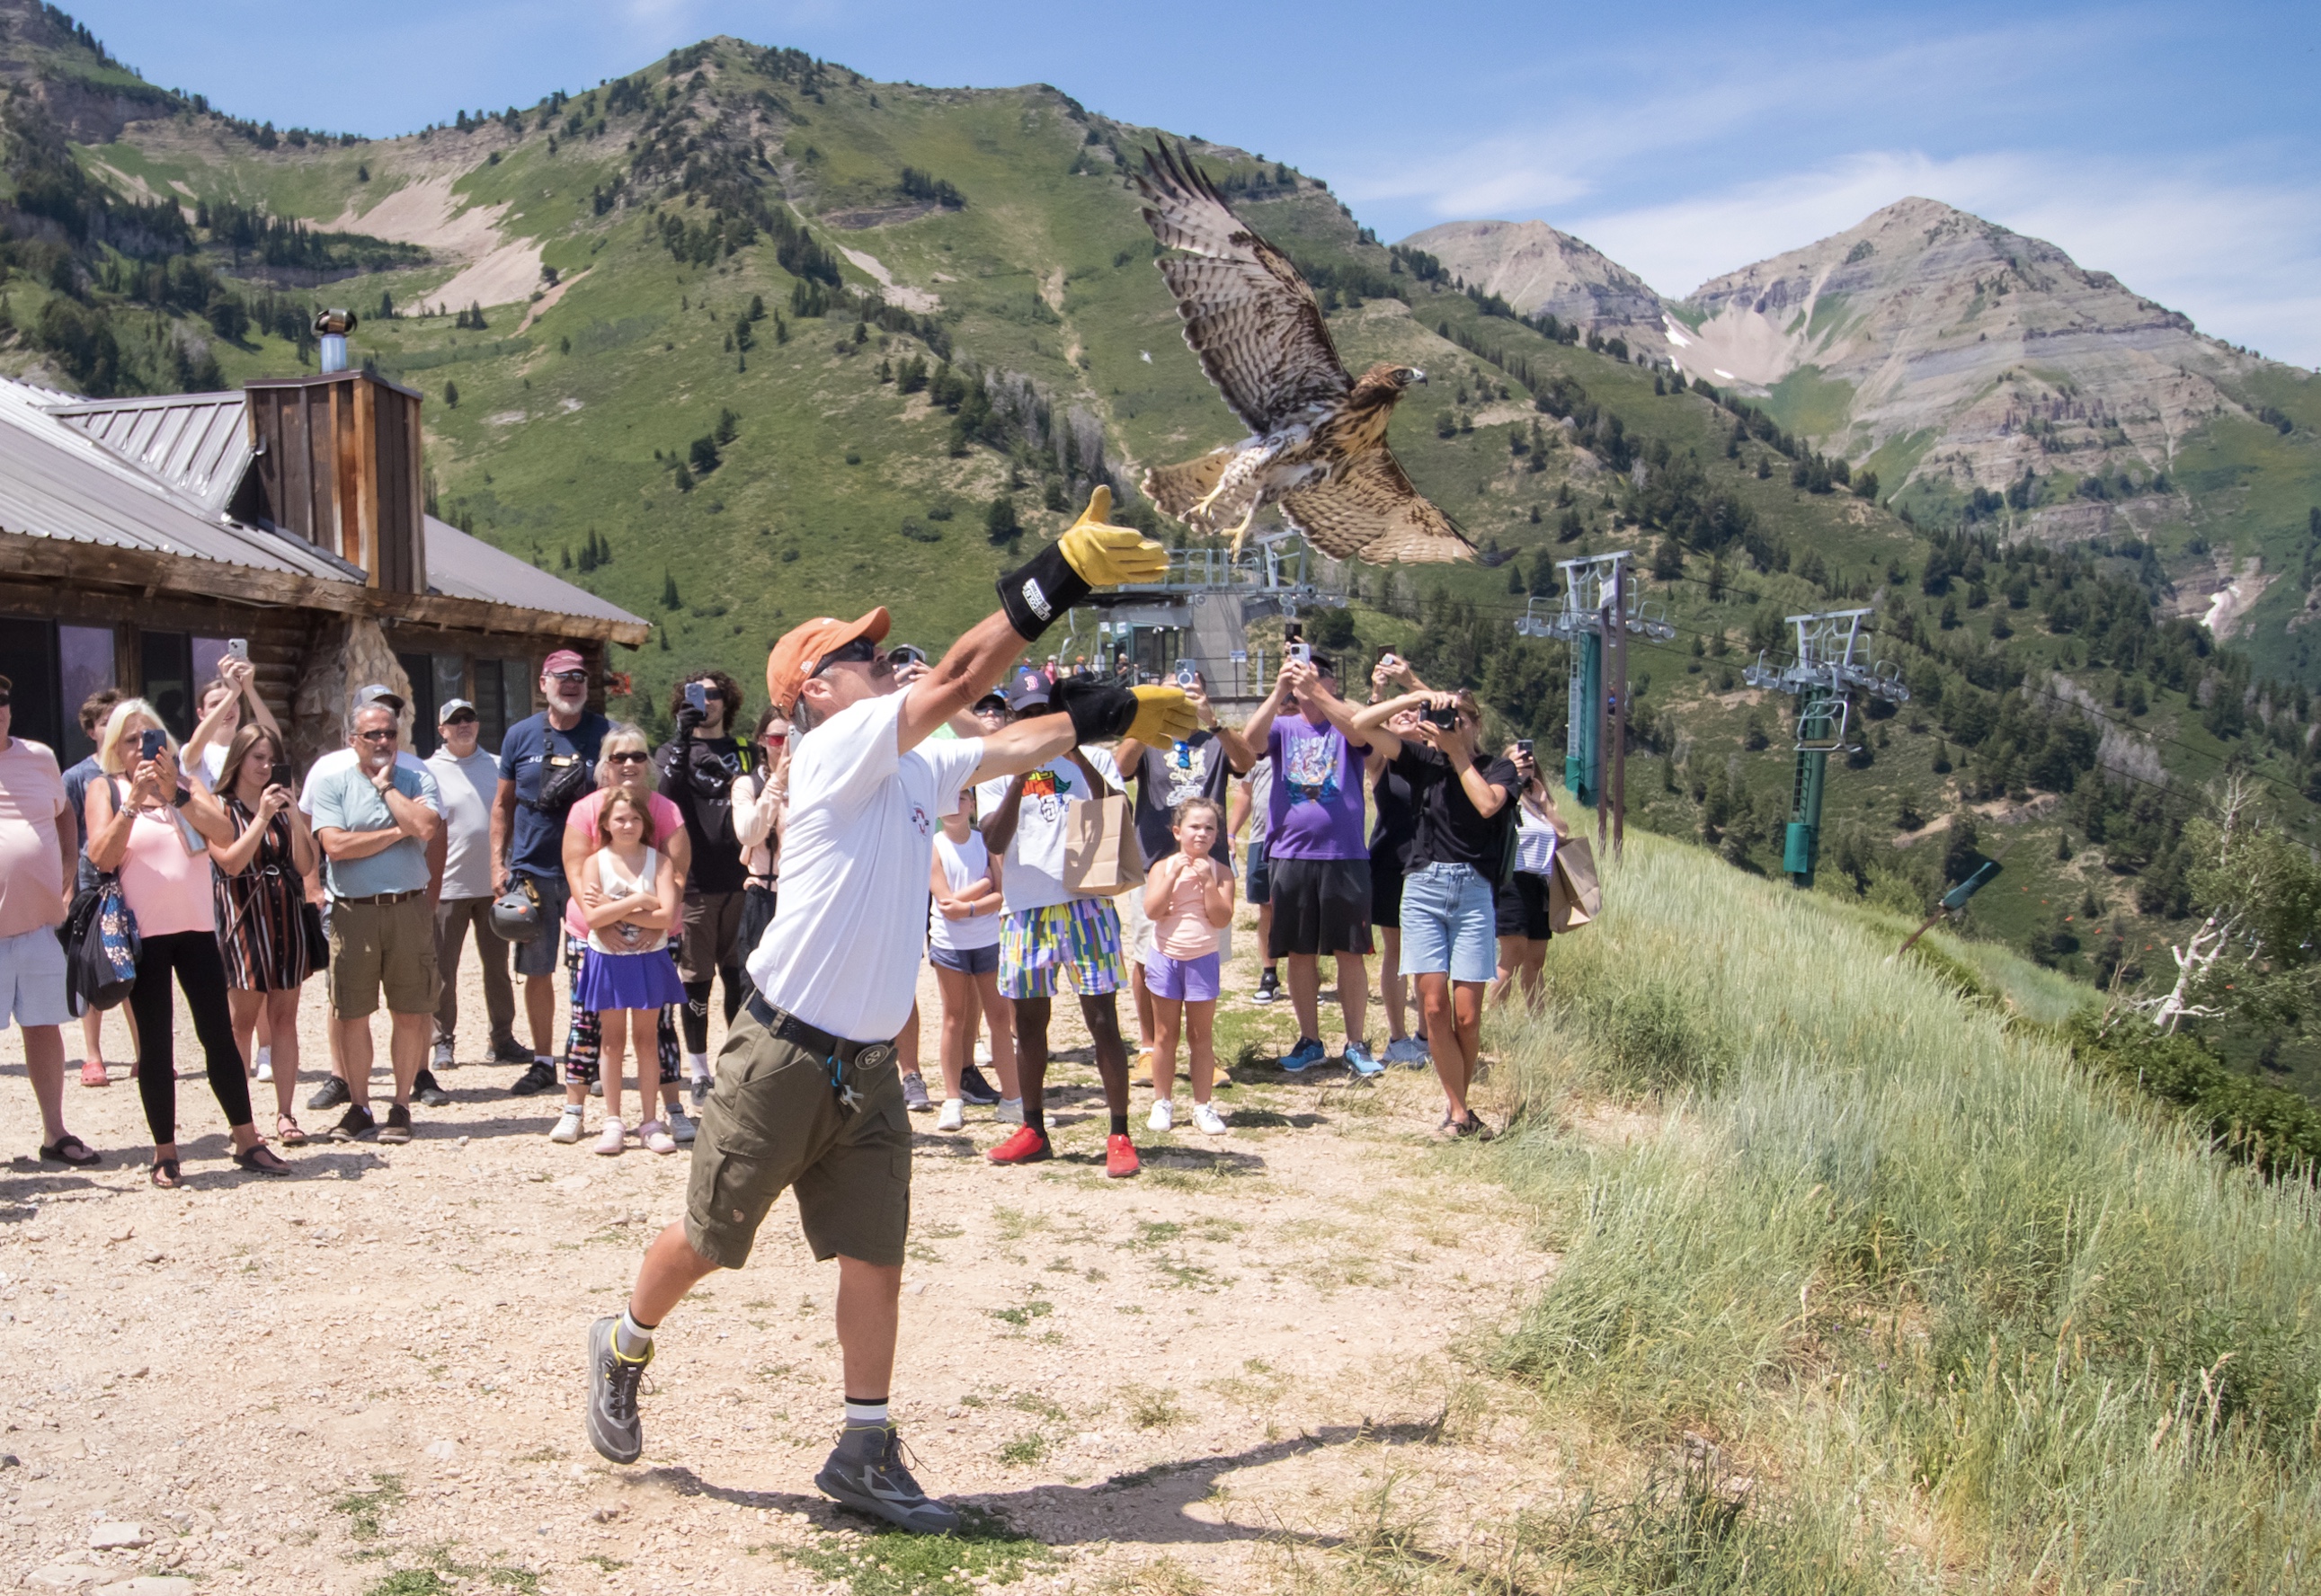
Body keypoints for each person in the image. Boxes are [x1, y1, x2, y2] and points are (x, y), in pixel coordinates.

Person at [586, 490, 1190, 1532]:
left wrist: (1114, 715)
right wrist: (1062, 572)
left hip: (863, 1066)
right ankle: (624, 1339)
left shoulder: (912, 763)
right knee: (708, 1241)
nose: (884, 657)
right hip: (777, 1055)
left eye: (878, 650)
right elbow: (962, 677)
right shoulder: (832, 751)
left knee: (876, 1258)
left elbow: (1009, 738)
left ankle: (864, 1448)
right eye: (862, 654)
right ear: (816, 690)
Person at [84, 700, 291, 1184]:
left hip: (198, 929)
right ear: (115, 747)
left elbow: (223, 831)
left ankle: (247, 1139)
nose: (141, 747)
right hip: (145, 935)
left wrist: (173, 794)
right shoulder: (106, 788)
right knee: (155, 1046)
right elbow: (101, 857)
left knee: (218, 1036)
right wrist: (134, 803)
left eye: (149, 737)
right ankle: (165, 1152)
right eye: (131, 740)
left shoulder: (186, 787)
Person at [979, 668, 1138, 1177]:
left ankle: (1118, 1132)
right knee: (1029, 1026)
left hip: (1084, 901)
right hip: (1024, 907)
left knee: (1102, 1021)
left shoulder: (1091, 754)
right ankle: (1033, 1129)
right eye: (1022, 713)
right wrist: (1021, 777)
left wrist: (1076, 759)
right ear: (1010, 717)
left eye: (1041, 711)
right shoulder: (998, 766)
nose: (1032, 720)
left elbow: (1118, 811)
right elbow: (993, 840)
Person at [1350, 688, 1517, 1137]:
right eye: (1445, 716)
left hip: (1472, 893)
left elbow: (1487, 804)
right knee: (1433, 1005)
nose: (1450, 724)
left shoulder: (1497, 768)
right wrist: (1416, 695)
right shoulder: (1418, 761)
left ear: (1477, 724)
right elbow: (1362, 725)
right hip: (1423, 888)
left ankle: (1460, 1106)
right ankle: (1459, 1111)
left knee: (1467, 1014)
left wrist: (1458, 752)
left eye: (1460, 718)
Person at [299, 685, 445, 1112]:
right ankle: (358, 1105)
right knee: (350, 1011)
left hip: (407, 908)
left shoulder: (417, 776)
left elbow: (430, 828)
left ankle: (401, 1105)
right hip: (354, 911)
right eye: (372, 735)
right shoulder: (330, 777)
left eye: (389, 733)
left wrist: (386, 791)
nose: (382, 741)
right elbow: (336, 847)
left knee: (411, 1011)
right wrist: (400, 830)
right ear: (353, 739)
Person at [547, 727, 693, 1148]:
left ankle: (670, 1110)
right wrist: (606, 922)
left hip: (655, 940)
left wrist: (646, 924)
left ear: (649, 762)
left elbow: (677, 874)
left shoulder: (666, 810)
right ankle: (575, 1110)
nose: (629, 764)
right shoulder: (585, 810)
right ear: (604, 764)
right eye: (618, 757)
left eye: (638, 756)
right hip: (592, 936)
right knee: (586, 1022)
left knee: (659, 1026)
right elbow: (577, 871)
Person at [1240, 652, 1380, 1075]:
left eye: (1316, 678)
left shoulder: (1346, 721)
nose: (1306, 685)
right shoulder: (1284, 726)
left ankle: (1355, 1043)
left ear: (1333, 684)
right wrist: (1281, 689)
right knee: (1299, 951)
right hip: (1291, 852)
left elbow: (1361, 733)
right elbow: (1250, 740)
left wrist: (1316, 688)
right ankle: (1310, 1040)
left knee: (1349, 951)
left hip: (1345, 855)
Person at [1113, 670, 1252, 1080]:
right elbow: (1120, 767)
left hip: (1209, 864)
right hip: (1156, 861)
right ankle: (1149, 1047)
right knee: (1147, 956)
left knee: (1203, 955)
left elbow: (1246, 762)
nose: (1181, 695)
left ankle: (1202, 1053)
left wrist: (1212, 720)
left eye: (1188, 689)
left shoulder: (1214, 738)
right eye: (1172, 689)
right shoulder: (1150, 737)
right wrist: (1152, 718)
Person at [494, 649, 609, 1095]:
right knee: (536, 968)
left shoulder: (606, 735)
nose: (572, 684)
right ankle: (544, 1061)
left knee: (593, 967)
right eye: (562, 677)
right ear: (543, 682)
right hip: (532, 871)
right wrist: (496, 868)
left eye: (579, 676)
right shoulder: (519, 736)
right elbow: (502, 806)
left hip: (592, 871)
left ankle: (590, 1059)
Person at [0, 674, 101, 1168]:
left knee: (43, 1027)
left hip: (41, 926)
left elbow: (64, 815)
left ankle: (54, 1133)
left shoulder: (39, 757)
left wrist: (66, 875)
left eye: (2, 704)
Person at [207, 723, 322, 1147]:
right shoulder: (221, 808)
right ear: (238, 760)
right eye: (257, 757)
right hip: (243, 920)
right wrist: (262, 817)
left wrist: (291, 813)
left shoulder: (281, 805)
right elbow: (231, 863)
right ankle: (242, 1119)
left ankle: (286, 1113)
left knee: (284, 1018)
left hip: (285, 917)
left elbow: (306, 863)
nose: (265, 765)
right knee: (240, 1023)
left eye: (271, 757)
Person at [655, 670, 757, 1102]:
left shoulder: (744, 751)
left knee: (740, 978)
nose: (708, 702)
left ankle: (735, 1064)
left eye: (715, 695)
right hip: (695, 883)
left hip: (742, 880)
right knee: (696, 981)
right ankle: (697, 1070)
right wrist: (681, 738)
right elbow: (664, 793)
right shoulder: (670, 750)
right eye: (698, 695)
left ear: (727, 702)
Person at [575, 786, 688, 1155]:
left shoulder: (660, 861)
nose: (628, 824)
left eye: (635, 818)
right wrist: (639, 900)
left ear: (646, 822)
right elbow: (593, 917)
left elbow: (667, 916)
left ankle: (651, 1121)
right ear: (606, 823)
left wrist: (616, 906)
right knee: (610, 1041)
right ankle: (612, 1120)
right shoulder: (595, 862)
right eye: (620, 818)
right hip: (607, 958)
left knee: (646, 1040)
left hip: (648, 958)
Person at [428, 698, 524, 1071]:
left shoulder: (498, 765)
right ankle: (442, 1041)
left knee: (498, 967)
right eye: (454, 721)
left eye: (469, 718)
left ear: (478, 724)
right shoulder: (428, 770)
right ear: (442, 730)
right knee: (443, 969)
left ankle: (503, 1039)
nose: (463, 725)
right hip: (447, 886)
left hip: (494, 885)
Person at [1142, 797, 1235, 1135]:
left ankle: (1203, 1105)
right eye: (1195, 827)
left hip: (1202, 958)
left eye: (1210, 828)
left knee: (1201, 1036)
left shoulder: (1221, 872)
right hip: (1166, 957)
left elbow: (1222, 917)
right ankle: (1162, 1101)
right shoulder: (1161, 868)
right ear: (1178, 831)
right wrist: (1174, 876)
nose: (1202, 834)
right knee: (1165, 1034)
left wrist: (1208, 882)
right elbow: (1152, 910)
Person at [928, 789, 1018, 1132]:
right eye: (948, 798)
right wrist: (982, 885)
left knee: (998, 1015)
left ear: (973, 804)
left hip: (987, 941)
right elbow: (944, 903)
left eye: (963, 797)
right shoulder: (933, 844)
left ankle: (1013, 1098)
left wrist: (971, 904)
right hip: (950, 944)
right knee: (955, 1016)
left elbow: (1001, 894)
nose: (955, 804)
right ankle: (952, 1099)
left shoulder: (987, 841)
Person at [60, 687, 128, 1089]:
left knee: (135, 964)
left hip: (131, 877)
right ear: (91, 730)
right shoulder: (76, 776)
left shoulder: (136, 770)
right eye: (105, 723)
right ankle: (93, 1055)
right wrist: (66, 891)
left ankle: (145, 1054)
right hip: (91, 883)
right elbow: (67, 837)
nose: (113, 729)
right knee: (92, 967)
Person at [1366, 652, 1430, 1065]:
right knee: (1395, 950)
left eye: (1413, 712)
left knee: (1425, 952)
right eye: (1398, 714)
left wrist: (1411, 681)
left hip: (1430, 862)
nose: (1406, 716)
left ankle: (1427, 1035)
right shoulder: (1382, 761)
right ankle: (1397, 1036)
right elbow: (1363, 730)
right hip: (1390, 860)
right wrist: (1378, 692)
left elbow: (1450, 710)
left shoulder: (1438, 757)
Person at [1492, 744, 1567, 1008]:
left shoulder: (1540, 802)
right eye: (1519, 762)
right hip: (1513, 881)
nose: (1526, 766)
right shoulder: (1503, 798)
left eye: (1530, 764)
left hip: (1541, 884)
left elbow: (1563, 834)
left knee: (1536, 961)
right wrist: (1511, 784)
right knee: (1512, 955)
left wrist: (1544, 804)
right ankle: (1493, 1018)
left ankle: (1538, 1023)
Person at [729, 705, 789, 986]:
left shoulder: (818, 782)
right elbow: (749, 834)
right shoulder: (748, 785)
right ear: (762, 741)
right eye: (777, 739)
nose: (785, 746)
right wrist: (776, 784)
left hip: (808, 893)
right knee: (755, 984)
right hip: (765, 896)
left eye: (794, 736)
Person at [182, 656, 284, 794]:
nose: (227, 709)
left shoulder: (250, 747)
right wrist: (232, 694)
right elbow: (195, 746)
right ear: (201, 714)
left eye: (232, 703)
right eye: (215, 704)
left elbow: (274, 738)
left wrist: (249, 688)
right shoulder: (197, 751)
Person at [1231, 756, 1279, 1005]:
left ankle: (1308, 979)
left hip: (1300, 841)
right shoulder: (1258, 750)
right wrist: (1231, 832)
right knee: (1266, 907)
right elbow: (1246, 793)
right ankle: (1269, 974)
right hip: (1262, 838)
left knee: (1303, 909)